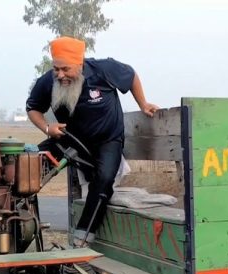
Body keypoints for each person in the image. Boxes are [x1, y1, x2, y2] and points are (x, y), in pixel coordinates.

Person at [26, 36, 159, 246]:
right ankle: (16, 224)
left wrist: (143, 103)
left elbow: (131, 75)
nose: (60, 75)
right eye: (56, 69)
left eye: (66, 69)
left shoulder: (104, 69)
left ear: (80, 64)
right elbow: (32, 108)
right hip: (68, 139)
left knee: (104, 180)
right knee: (28, 166)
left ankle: (82, 238)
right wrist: (47, 128)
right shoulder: (47, 82)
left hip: (107, 140)